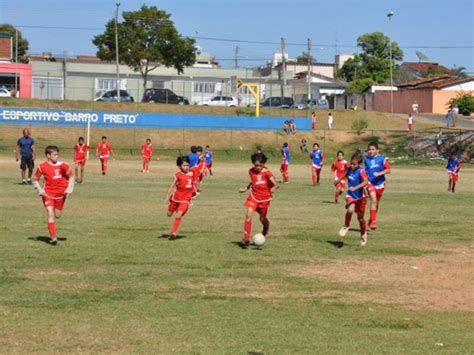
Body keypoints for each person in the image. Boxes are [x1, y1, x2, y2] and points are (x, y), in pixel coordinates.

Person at [32, 146, 74, 245]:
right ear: (48, 156)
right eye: (55, 155)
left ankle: (53, 234)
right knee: (50, 214)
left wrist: (69, 190)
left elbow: (71, 177)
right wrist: (40, 191)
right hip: (48, 194)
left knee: (57, 215)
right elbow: (35, 180)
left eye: (57, 154)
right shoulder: (42, 167)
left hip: (61, 195)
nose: (57, 156)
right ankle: (53, 237)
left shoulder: (63, 165)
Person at [238, 152, 279, 248]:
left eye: (260, 165)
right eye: (256, 165)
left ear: (264, 164)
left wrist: (274, 188)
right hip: (254, 196)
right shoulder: (251, 171)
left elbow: (276, 184)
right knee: (248, 214)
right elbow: (253, 182)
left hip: (265, 199)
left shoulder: (267, 172)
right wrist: (246, 188)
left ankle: (266, 225)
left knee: (262, 218)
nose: (258, 167)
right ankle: (246, 239)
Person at [336, 150, 369, 246]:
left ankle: (363, 234)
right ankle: (346, 226)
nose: (352, 166)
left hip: (360, 198)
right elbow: (345, 174)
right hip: (350, 195)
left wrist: (356, 187)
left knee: (361, 219)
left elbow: (365, 182)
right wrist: (338, 180)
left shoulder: (361, 171)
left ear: (359, 164)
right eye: (351, 163)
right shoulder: (350, 169)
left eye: (354, 164)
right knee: (350, 210)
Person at [164, 156, 194, 240]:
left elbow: (194, 185)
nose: (186, 167)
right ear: (179, 166)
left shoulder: (192, 174)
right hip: (176, 198)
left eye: (188, 165)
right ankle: (172, 206)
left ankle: (173, 233)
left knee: (179, 214)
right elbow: (171, 186)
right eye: (184, 165)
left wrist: (193, 196)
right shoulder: (177, 175)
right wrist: (167, 195)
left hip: (185, 199)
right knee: (169, 214)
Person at [364, 142, 391, 230]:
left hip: (380, 184)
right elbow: (365, 171)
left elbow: (388, 170)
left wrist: (379, 173)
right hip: (370, 183)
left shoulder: (382, 159)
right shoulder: (366, 159)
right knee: (373, 200)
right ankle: (373, 221)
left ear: (377, 150)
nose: (371, 151)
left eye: (373, 149)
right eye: (369, 149)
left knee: (376, 203)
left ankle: (371, 218)